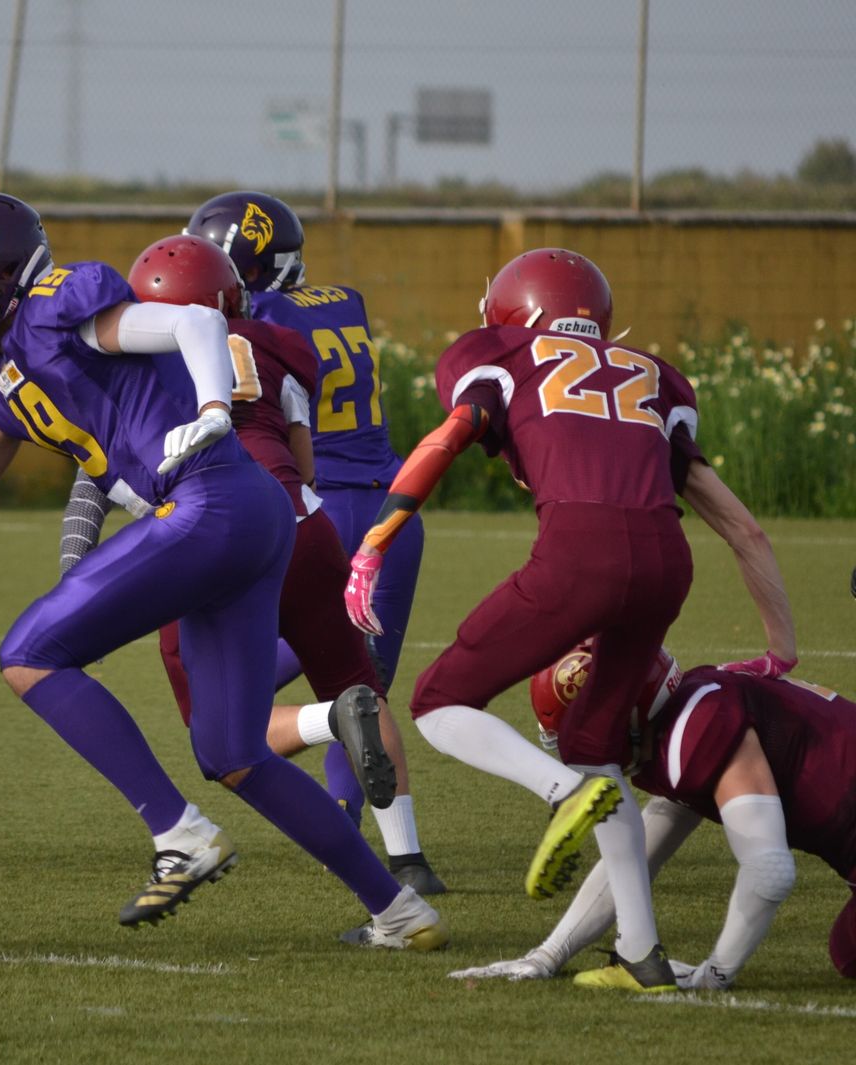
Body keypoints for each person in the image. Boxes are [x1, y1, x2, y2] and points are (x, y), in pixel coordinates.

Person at [0, 191, 448, 948]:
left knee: (28, 653)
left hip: (212, 500)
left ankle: (179, 833)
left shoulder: (52, 305)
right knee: (231, 752)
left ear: (4, 267)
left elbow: (195, 319)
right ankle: (400, 910)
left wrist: (211, 409)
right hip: (248, 514)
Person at [340, 247, 796, 990]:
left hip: (580, 549)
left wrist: (375, 540)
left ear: (517, 307)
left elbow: (445, 438)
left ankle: (561, 793)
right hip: (665, 558)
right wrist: (782, 647)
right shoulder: (652, 376)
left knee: (436, 701)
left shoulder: (498, 355)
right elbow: (744, 528)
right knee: (596, 744)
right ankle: (640, 953)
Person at [58, 233, 444, 895]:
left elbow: (104, 476)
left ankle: (325, 722)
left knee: (215, 731)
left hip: (212, 536)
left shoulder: (137, 369)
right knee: (356, 677)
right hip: (303, 519)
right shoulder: (278, 345)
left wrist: (75, 569)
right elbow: (304, 456)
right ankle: (408, 859)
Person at [182, 191, 423, 825]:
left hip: (309, 508)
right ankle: (394, 853)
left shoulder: (251, 321)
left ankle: (328, 807)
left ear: (242, 269)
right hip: (391, 512)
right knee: (363, 686)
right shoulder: (346, 300)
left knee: (236, 697)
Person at [452, 645, 855, 989]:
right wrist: (547, 956)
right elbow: (634, 856)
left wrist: (712, 977)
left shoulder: (698, 727)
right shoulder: (673, 727)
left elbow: (770, 870)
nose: (577, 748)